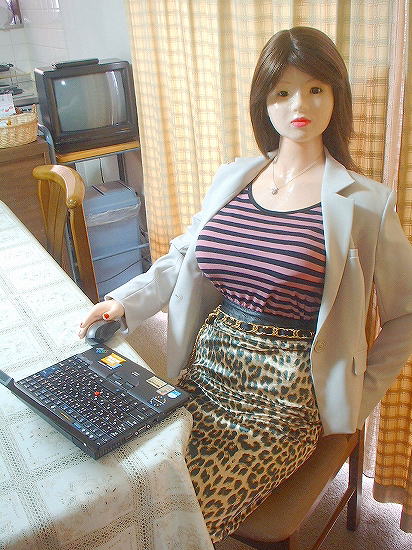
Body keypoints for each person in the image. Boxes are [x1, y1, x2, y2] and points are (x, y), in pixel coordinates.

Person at [79, 27, 412, 543]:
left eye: (316, 88)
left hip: (285, 397)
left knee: (177, 516)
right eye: (282, 91)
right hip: (204, 368)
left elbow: (406, 314)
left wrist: (358, 394)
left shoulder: (366, 201)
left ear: (336, 96)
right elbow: (186, 255)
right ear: (264, 102)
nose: (299, 104)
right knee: (127, 480)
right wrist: (122, 303)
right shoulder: (234, 176)